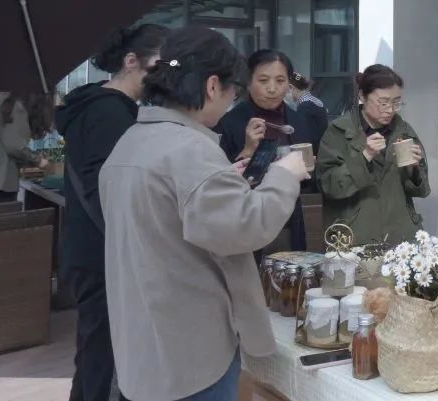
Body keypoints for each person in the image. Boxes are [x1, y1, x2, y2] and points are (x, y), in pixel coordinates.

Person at [100, 26, 308, 401]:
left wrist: (222, 181)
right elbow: (247, 226)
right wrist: (284, 175)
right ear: (212, 86)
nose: (230, 101)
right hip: (191, 353)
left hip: (142, 344)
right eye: (232, 91)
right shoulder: (189, 148)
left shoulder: (130, 142)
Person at [55, 24, 167, 401]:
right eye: (158, 67)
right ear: (131, 61)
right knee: (104, 357)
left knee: (95, 353)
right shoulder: (109, 113)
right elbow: (109, 193)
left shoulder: (100, 106)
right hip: (103, 254)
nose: (164, 77)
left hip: (91, 249)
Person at [215, 49, 317, 252]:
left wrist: (308, 167)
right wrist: (247, 150)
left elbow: (307, 181)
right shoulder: (228, 123)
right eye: (263, 80)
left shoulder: (297, 120)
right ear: (248, 82)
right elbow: (218, 183)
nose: (272, 89)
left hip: (289, 220)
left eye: (280, 81)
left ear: (288, 84)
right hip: (246, 222)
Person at [316, 64, 430, 242]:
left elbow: (422, 190)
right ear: (362, 96)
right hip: (355, 235)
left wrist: (413, 170)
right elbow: (329, 186)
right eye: (383, 103)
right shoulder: (338, 131)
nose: (390, 110)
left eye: (396, 102)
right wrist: (364, 157)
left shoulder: (404, 130)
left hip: (400, 236)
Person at [0, 92, 52, 202]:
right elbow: (13, 146)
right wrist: (39, 161)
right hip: (1, 186)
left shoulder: (0, 100)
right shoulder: (17, 107)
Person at [289, 71, 329, 148]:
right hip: (322, 149)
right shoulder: (315, 101)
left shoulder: (304, 107)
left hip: (311, 152)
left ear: (291, 88)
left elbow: (304, 138)